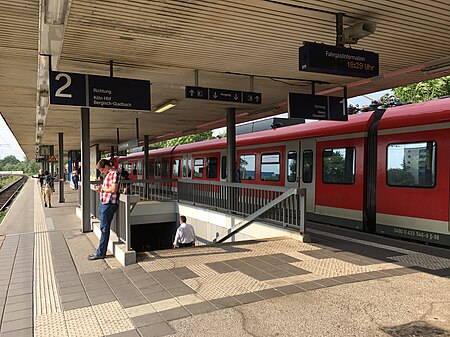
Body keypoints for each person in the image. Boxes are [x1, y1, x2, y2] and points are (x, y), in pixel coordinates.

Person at [88, 159, 120, 260]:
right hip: (104, 203)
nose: (101, 172)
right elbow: (108, 188)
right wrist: (101, 188)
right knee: (103, 228)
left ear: (106, 166)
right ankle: (100, 251)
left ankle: (101, 252)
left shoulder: (114, 174)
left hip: (109, 204)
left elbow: (114, 189)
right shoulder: (108, 175)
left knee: (104, 229)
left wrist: (102, 189)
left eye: (102, 170)